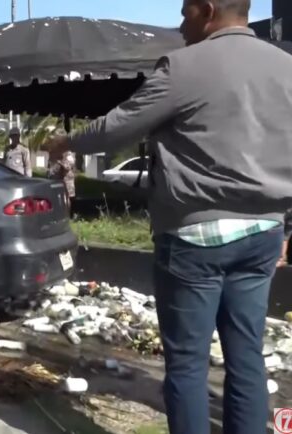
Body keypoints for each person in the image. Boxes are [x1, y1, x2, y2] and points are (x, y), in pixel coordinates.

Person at [43, 1, 292, 433]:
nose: (179, 24)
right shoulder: (287, 67)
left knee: (189, 365)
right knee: (247, 355)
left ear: (207, 10)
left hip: (197, 237)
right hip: (263, 234)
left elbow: (117, 127)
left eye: (185, 12)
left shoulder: (185, 67)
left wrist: (65, 141)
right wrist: (286, 225)